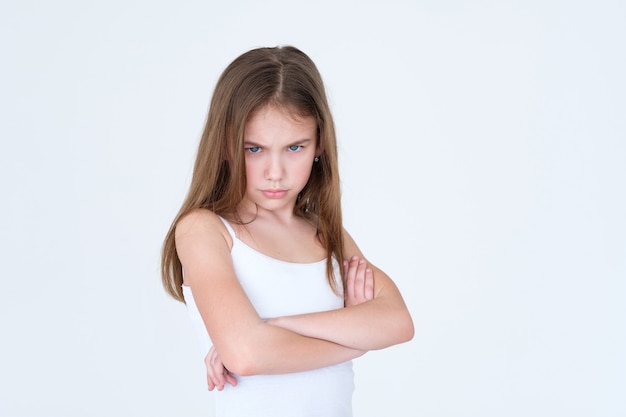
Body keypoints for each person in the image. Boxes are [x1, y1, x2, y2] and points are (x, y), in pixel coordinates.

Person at [161, 45, 414, 417]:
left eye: (294, 147)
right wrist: (357, 342)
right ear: (226, 146)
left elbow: (397, 323)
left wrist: (276, 326)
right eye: (254, 149)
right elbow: (246, 354)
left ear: (320, 145)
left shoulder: (328, 236)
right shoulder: (205, 231)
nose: (275, 172)